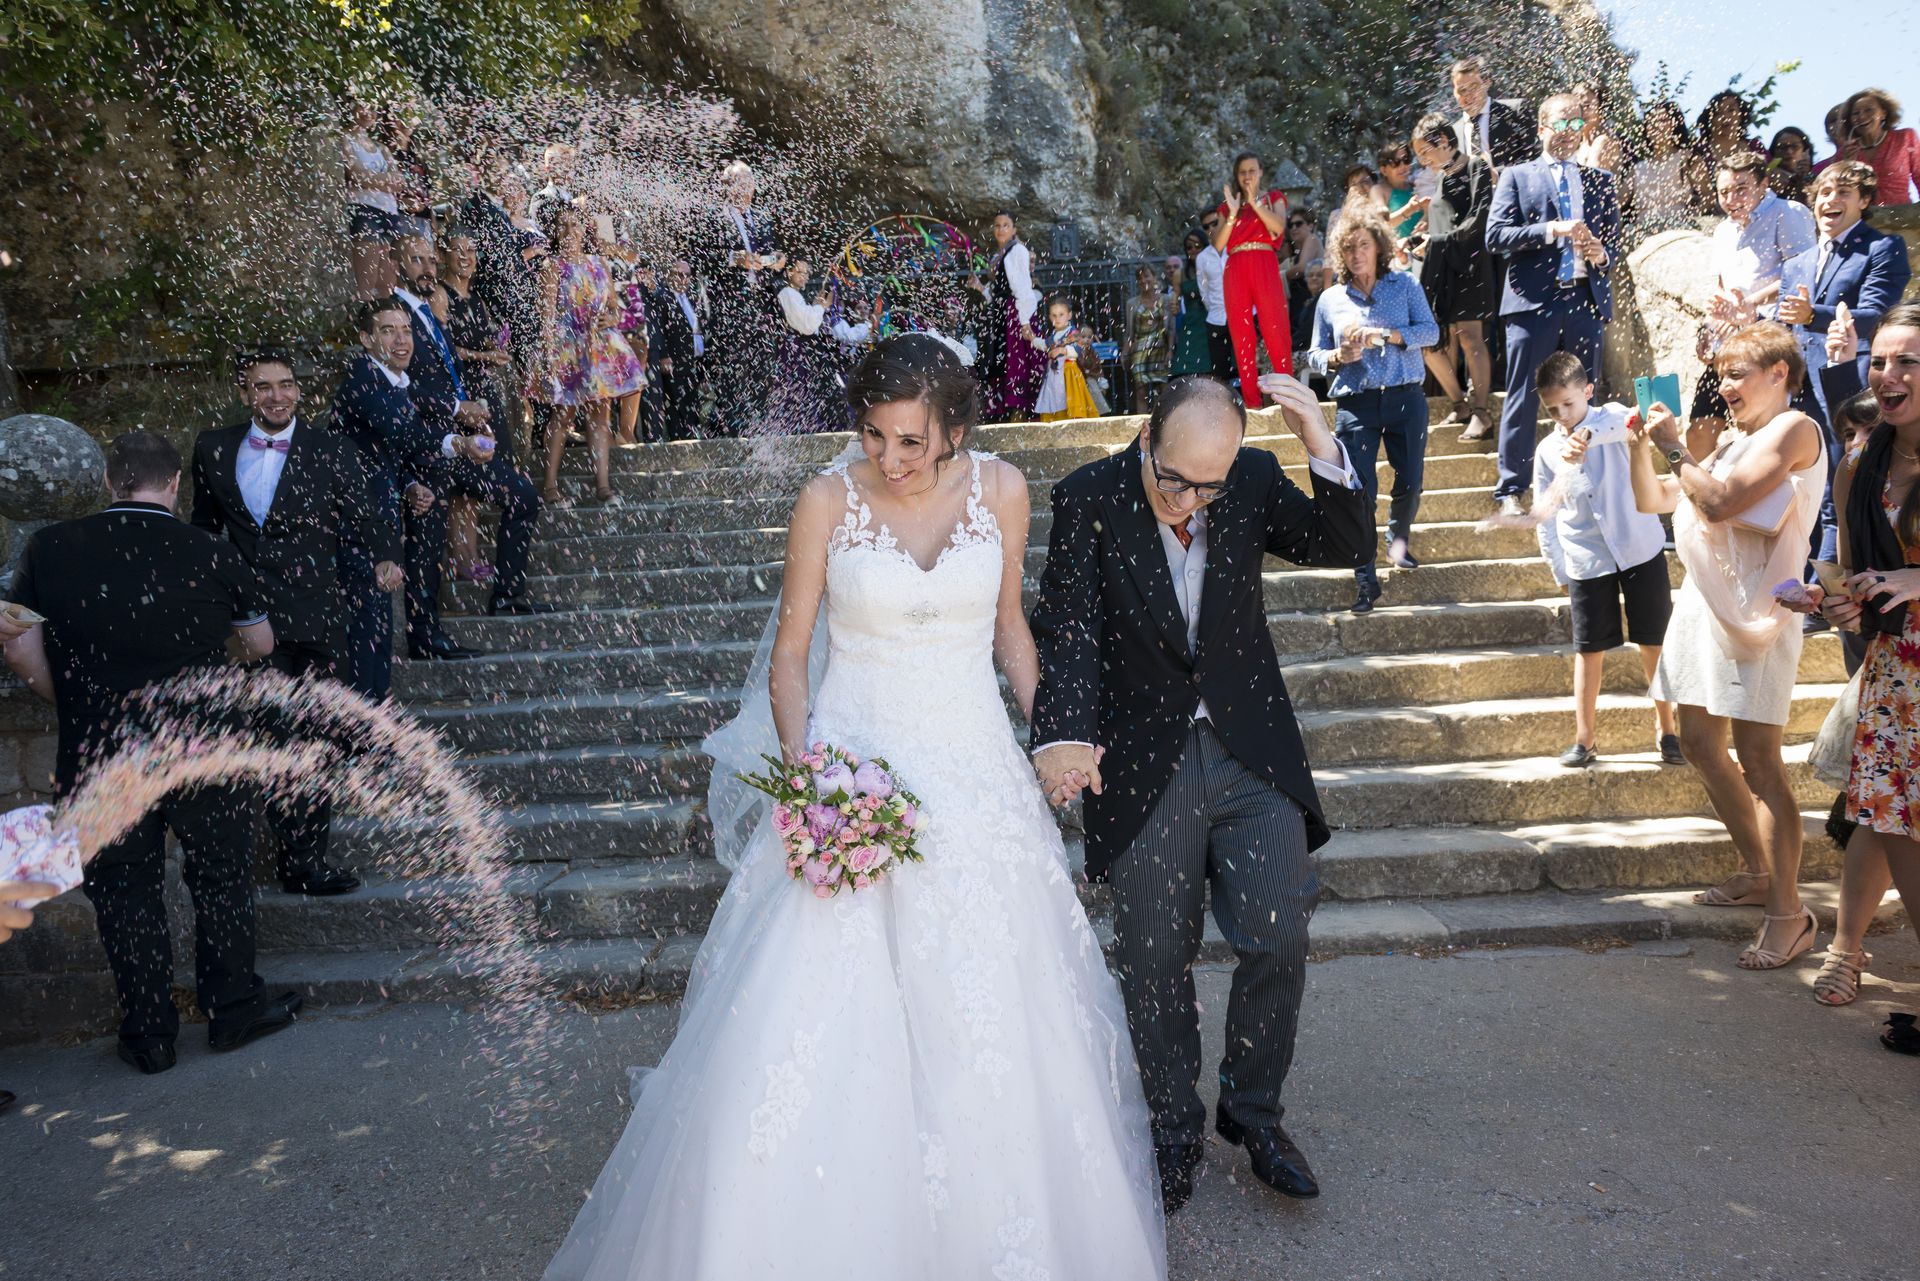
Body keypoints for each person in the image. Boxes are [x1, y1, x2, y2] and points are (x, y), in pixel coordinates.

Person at [544, 335, 1167, 1279]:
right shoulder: (826, 500)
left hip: (975, 777)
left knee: (992, 1006)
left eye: (913, 440)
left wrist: (1055, 731)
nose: (891, 457)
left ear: (955, 427)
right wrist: (810, 782)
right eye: (875, 435)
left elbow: (1009, 627)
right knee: (823, 1006)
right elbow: (792, 652)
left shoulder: (1002, 490)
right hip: (854, 769)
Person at [1030, 371, 1370, 1211]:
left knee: (1278, 929)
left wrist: (1320, 443)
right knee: (1153, 957)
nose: (1190, 501)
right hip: (1143, 759)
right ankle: (1172, 1129)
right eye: (1175, 480)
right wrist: (1063, 732)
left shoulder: (1249, 478)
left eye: (1208, 486)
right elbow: (1067, 628)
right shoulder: (1089, 497)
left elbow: (1340, 541)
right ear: (1148, 438)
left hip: (1250, 750)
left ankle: (1253, 1113)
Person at [5, 431, 300, 1074]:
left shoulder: (49, 547)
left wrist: (80, 700)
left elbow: (18, 645)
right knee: (220, 876)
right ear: (173, 484)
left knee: (123, 888)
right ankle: (233, 1008)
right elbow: (259, 643)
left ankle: (148, 1034)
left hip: (102, 750)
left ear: (107, 482)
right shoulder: (209, 549)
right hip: (201, 743)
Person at [1629, 322, 1826, 970]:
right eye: (1721, 375)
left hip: (1760, 609)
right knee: (1698, 742)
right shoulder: (1729, 440)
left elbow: (1719, 504)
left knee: (1761, 764)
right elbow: (1655, 498)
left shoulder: (1796, 429)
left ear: (1780, 373)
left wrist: (1673, 446)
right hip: (1704, 606)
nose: (1726, 386)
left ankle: (1790, 916)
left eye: (1738, 373)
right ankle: (1758, 870)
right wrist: (1640, 447)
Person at [192, 351, 391, 898]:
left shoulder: (331, 448)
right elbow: (205, 528)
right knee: (274, 737)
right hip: (250, 622)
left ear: (299, 391)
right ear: (245, 393)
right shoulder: (212, 448)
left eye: (285, 385)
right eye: (264, 387)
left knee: (319, 736)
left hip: (317, 618)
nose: (277, 396)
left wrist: (386, 557)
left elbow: (367, 514)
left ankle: (309, 857)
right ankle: (291, 856)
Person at [1806, 303, 1920, 1039]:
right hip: (1896, 674)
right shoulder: (1859, 462)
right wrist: (1838, 602)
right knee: (1891, 821)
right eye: (1878, 360)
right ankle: (1847, 947)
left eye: (1907, 361)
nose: (1887, 374)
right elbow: (1854, 577)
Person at [1529, 352, 1680, 767]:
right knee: (1588, 649)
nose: (1563, 415)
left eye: (1569, 404)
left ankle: (1668, 728)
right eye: (1553, 409)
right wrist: (1559, 567)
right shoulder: (1547, 451)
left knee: (1654, 641)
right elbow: (1545, 514)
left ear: (1588, 391)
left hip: (1640, 546)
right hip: (1585, 557)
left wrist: (1586, 437)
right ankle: (1585, 739)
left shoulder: (1610, 417)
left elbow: (1624, 422)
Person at [393, 232, 554, 619]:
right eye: (416, 260)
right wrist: (455, 409)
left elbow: (447, 374)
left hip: (459, 437)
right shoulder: (396, 317)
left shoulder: (426, 312)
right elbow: (398, 384)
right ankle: (426, 629)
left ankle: (507, 596)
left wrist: (475, 418)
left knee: (523, 497)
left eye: (430, 260)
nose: (427, 268)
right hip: (426, 446)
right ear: (398, 266)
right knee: (427, 541)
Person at [1485, 93, 1623, 518]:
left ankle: (1586, 482)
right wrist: (1552, 230)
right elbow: (1495, 236)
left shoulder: (1601, 181)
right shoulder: (1517, 176)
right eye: (1560, 124)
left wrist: (1601, 255)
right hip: (1532, 303)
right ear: (1542, 128)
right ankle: (1512, 490)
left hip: (1584, 299)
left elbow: (1614, 246)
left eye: (1575, 124)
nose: (1567, 133)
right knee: (1524, 396)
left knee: (1586, 395)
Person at [328, 295, 475, 690]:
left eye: (406, 331)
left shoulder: (392, 380)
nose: (401, 340)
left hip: (377, 522)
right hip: (355, 528)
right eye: (388, 331)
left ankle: (374, 717)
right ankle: (365, 721)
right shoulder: (363, 378)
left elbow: (377, 449)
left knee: (376, 637)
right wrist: (458, 443)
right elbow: (403, 432)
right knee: (365, 642)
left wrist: (409, 484)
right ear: (366, 339)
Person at [1778, 161, 1914, 561]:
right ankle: (1809, 581)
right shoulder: (1796, 263)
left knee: (1843, 491)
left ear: (1864, 200)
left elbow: (1877, 317)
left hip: (1849, 386)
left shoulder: (1882, 248)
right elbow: (1783, 328)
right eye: (1823, 192)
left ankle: (1835, 584)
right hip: (1799, 393)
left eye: (1843, 192)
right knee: (1805, 490)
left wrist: (1813, 315)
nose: (1830, 200)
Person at [1308, 217, 1440, 612]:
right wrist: (1337, 356)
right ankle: (1365, 579)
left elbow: (1431, 332)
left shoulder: (1406, 285)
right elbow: (1314, 354)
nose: (1356, 254)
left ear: (1378, 247)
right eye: (1348, 248)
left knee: (1411, 482)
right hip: (1357, 403)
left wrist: (1392, 335)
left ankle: (1398, 541)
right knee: (1358, 493)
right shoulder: (1330, 299)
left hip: (1405, 397)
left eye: (1363, 245)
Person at [1688, 152, 1817, 448]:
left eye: (1741, 189)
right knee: (1699, 429)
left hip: (1773, 339)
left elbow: (1803, 273)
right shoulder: (1722, 230)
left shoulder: (1788, 212)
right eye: (1724, 192)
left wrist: (1750, 305)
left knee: (1759, 431)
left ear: (1763, 184)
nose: (1731, 199)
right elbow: (1722, 289)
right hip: (1730, 343)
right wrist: (1707, 330)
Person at [534, 202, 639, 505]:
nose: (569, 231)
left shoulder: (598, 262)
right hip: (567, 347)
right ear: (556, 231)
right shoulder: (553, 266)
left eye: (575, 224)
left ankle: (603, 486)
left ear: (584, 229)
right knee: (563, 414)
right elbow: (547, 317)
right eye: (563, 225)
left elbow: (615, 308)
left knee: (600, 415)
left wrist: (611, 318)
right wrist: (549, 356)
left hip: (598, 347)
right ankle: (550, 487)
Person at [1409, 113, 1498, 441]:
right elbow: (1443, 221)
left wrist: (1438, 242)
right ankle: (1459, 403)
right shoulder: (1442, 178)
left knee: (1470, 338)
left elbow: (1479, 219)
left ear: (1444, 141)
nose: (1423, 161)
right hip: (1442, 268)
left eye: (1425, 152)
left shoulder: (1476, 167)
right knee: (1431, 341)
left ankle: (1481, 412)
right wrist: (1423, 241)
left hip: (1471, 265)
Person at [697, 160, 785, 436]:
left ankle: (758, 424)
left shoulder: (762, 218)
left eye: (750, 182)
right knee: (731, 366)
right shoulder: (712, 217)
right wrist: (735, 258)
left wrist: (777, 260)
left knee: (764, 365)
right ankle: (728, 430)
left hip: (762, 302)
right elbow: (700, 256)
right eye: (740, 182)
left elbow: (773, 253)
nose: (747, 187)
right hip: (729, 303)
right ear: (728, 186)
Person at [1210, 151, 1294, 408]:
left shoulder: (1273, 198)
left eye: (1252, 171)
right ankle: (1252, 402)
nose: (1247, 176)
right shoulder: (1228, 206)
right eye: (1242, 172)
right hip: (1236, 265)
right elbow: (1218, 244)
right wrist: (1233, 214)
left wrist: (1255, 203)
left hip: (1264, 262)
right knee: (1241, 333)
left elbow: (1279, 227)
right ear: (1237, 175)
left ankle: (1289, 397)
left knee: (1275, 329)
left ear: (1260, 172)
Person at [770, 258, 872, 434]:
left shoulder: (795, 295)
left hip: (806, 353)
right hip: (798, 353)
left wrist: (817, 306)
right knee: (806, 392)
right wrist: (822, 306)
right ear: (789, 272)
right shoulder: (787, 293)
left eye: (807, 273)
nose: (804, 276)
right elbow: (807, 326)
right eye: (800, 272)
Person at [967, 211, 1046, 421]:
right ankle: (1008, 410)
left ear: (1013, 230)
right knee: (1003, 360)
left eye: (1005, 225)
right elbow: (999, 294)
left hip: (1016, 314)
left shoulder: (1017, 250)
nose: (1000, 229)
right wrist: (980, 288)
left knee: (1017, 361)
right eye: (997, 225)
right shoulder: (1000, 255)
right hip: (1003, 313)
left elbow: (1023, 287)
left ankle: (1020, 410)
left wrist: (1025, 321)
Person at [1626, 101, 1701, 239]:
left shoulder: (1688, 159)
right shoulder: (1637, 168)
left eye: (1662, 120)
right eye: (1651, 122)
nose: (1656, 125)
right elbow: (1617, 201)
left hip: (1680, 231)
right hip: (1643, 233)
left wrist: (1693, 220)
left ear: (1674, 124)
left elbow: (1707, 198)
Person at [1450, 56, 1534, 174]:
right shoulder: (1454, 132)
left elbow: (1534, 160)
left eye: (1473, 87)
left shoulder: (1515, 112)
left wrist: (1496, 175)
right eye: (1462, 90)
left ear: (1487, 83)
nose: (1468, 95)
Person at [1837, 88, 1919, 206]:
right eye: (1856, 113)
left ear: (1883, 114)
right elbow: (1839, 190)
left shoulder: (1905, 137)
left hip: (1902, 214)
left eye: (1868, 110)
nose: (1861, 116)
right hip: (1863, 215)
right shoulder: (1845, 152)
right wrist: (1846, 165)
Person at [655, 258, 708, 440]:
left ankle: (692, 440)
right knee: (677, 406)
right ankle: (679, 441)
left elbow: (699, 329)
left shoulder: (692, 299)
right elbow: (659, 330)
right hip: (674, 362)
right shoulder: (663, 298)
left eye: (687, 275)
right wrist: (663, 355)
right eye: (679, 275)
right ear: (669, 275)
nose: (684, 279)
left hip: (693, 362)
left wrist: (703, 367)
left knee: (692, 406)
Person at [1030, 293, 1102, 421]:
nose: (1057, 318)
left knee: (1069, 399)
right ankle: (1057, 420)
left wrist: (1062, 350)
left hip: (1068, 372)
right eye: (1054, 315)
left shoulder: (1074, 333)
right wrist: (1031, 338)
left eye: (1061, 314)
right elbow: (1044, 345)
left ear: (1069, 315)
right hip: (1053, 375)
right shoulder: (1053, 335)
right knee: (1054, 400)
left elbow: (1078, 349)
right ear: (1049, 317)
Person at [1691, 90, 1765, 211]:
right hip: (1710, 212)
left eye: (1731, 110)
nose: (1725, 117)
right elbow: (1704, 195)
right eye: (1717, 113)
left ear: (1741, 114)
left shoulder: (1754, 147)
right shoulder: (1698, 150)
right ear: (1709, 120)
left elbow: (1768, 179)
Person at [1123, 263, 1175, 413]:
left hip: (1160, 349)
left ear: (1154, 278)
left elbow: (1171, 328)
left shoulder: (1166, 299)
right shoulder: (1132, 303)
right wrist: (1125, 353)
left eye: (1146, 276)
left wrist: (1170, 350)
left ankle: (1161, 421)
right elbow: (1129, 332)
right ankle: (1142, 423)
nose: (1143, 280)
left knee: (1163, 390)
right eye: (1139, 278)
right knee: (1141, 392)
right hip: (1139, 351)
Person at [1194, 207, 1233, 378]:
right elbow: (1204, 292)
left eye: (1214, 223)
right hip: (1216, 319)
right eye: (1206, 226)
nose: (1211, 228)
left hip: (1242, 315)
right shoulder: (1202, 257)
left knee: (1248, 365)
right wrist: (1216, 309)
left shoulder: (1235, 248)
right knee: (1220, 373)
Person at [1373, 143, 1429, 262]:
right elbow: (1381, 224)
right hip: (1399, 258)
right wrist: (1409, 209)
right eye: (1395, 162)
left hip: (1423, 254)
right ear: (1383, 170)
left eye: (1406, 160)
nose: (1403, 166)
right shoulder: (1379, 190)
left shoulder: (1418, 184)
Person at [1283, 205, 1327, 353]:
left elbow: (1301, 268)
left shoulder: (1312, 239)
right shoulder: (1298, 248)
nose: (1294, 228)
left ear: (1310, 225)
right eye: (1291, 225)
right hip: (1300, 299)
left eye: (1298, 224)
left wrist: (1278, 276)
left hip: (1308, 297)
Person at [1171, 232, 1215, 378]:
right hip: (1191, 323)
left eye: (1197, 246)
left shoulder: (1214, 268)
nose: (1193, 250)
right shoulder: (1180, 274)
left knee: (1213, 366)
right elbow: (1175, 296)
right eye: (1189, 247)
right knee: (1188, 368)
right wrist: (1174, 305)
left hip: (1211, 320)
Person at [1768, 126, 1817, 205]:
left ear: (1805, 151)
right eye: (1782, 147)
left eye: (1795, 147)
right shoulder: (1766, 181)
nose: (1789, 151)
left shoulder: (1817, 180)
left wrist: (1802, 179)